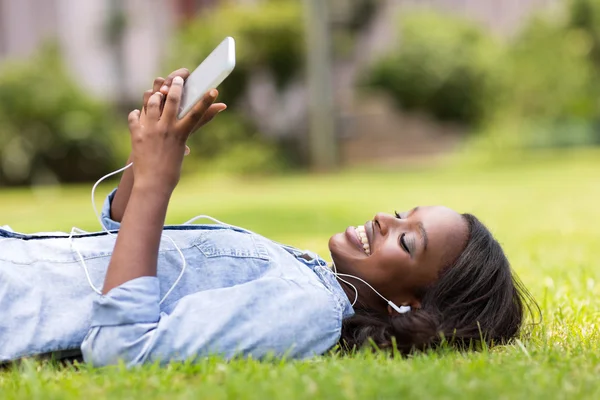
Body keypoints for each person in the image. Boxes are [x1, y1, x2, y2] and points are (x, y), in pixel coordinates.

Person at [0, 69, 536, 367]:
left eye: (407, 241)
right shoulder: (308, 276)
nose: (381, 219)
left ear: (411, 305)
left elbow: (121, 346)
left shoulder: (306, 310)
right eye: (401, 215)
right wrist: (151, 165)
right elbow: (122, 251)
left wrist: (159, 187)